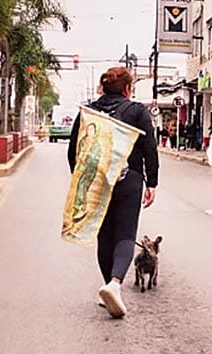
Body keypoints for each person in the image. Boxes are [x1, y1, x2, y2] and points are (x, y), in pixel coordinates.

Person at [67, 66, 158, 319]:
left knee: (104, 235)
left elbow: (75, 150)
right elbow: (150, 147)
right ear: (128, 89)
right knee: (126, 235)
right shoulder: (137, 111)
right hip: (129, 180)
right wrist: (152, 182)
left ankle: (108, 285)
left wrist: (81, 182)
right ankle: (115, 284)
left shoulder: (88, 112)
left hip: (97, 181)